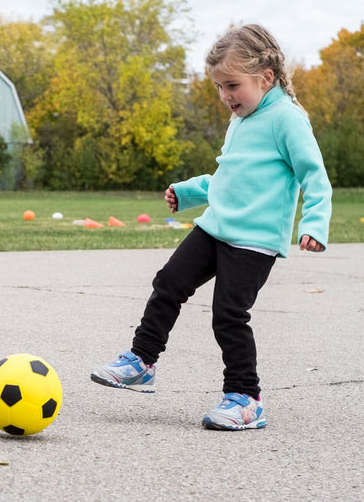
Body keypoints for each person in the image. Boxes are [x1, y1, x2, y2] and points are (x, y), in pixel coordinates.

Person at [91, 24, 332, 430]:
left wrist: (315, 223)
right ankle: (141, 361)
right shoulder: (242, 118)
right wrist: (187, 194)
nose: (225, 96)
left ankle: (245, 399)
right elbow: (229, 176)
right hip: (215, 226)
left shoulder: (287, 120)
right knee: (169, 282)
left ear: (266, 77)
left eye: (232, 85)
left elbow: (315, 177)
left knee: (228, 314)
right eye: (220, 87)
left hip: (254, 240)